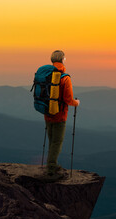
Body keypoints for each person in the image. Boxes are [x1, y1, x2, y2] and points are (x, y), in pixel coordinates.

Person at [44, 50, 80, 179]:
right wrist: (77, 103)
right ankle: (51, 168)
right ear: (63, 60)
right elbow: (68, 99)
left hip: (47, 113)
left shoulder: (46, 75)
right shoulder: (65, 78)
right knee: (57, 142)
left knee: (51, 140)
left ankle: (51, 163)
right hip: (60, 115)